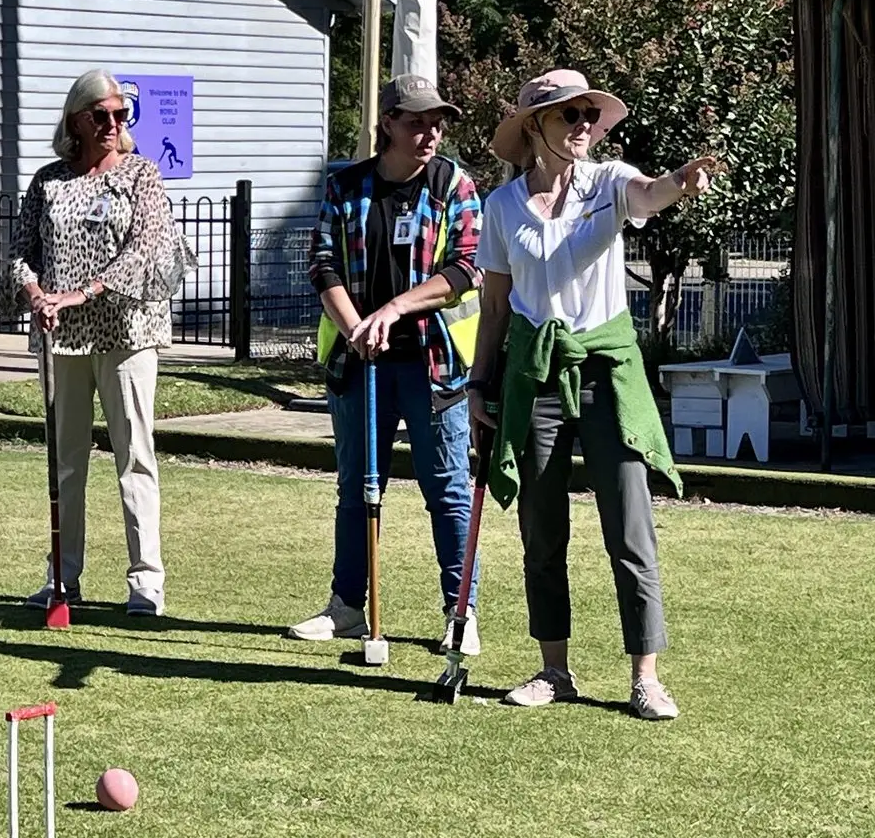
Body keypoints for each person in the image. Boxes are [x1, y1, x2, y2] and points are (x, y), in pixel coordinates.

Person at [468, 68, 717, 720]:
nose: (583, 126)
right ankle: (555, 669)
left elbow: (649, 192)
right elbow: (494, 306)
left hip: (608, 371)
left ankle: (646, 676)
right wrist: (477, 383)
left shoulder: (609, 183)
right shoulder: (501, 208)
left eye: (588, 116)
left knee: (629, 526)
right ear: (535, 127)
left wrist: (679, 183)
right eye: (567, 115)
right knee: (541, 528)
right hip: (535, 374)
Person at [0, 68, 196, 617]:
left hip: (128, 333)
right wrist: (36, 293)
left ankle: (146, 583)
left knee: (135, 458)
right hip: (61, 336)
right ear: (76, 120)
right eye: (100, 116)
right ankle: (63, 576)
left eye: (120, 115)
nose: (112, 124)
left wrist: (80, 293)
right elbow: (20, 251)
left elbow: (146, 249)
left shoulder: (140, 176)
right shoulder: (49, 181)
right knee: (67, 461)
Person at [293, 74, 485, 654]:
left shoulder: (454, 184)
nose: (431, 133)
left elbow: (469, 266)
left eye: (437, 122)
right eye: (417, 121)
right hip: (359, 366)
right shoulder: (345, 186)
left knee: (447, 490)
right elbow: (322, 263)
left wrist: (395, 310)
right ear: (387, 125)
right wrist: (356, 327)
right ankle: (347, 607)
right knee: (357, 489)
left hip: (433, 366)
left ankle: (460, 614)